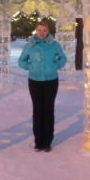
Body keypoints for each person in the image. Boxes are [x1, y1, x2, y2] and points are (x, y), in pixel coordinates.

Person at [18, 21, 67, 152]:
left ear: (48, 32)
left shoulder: (54, 45)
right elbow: (21, 61)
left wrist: (55, 66)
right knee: (37, 110)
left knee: (48, 110)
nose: (41, 32)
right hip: (35, 81)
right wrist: (30, 67)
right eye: (39, 30)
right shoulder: (30, 45)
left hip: (51, 81)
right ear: (36, 31)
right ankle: (38, 141)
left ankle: (47, 141)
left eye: (44, 30)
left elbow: (63, 58)